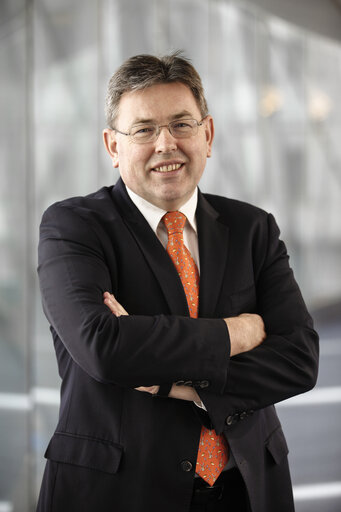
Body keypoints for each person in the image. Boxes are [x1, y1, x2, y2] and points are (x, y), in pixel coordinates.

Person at [36, 52, 319, 512]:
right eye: (144, 129)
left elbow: (300, 359)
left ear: (207, 135)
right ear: (112, 146)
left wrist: (174, 385)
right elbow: (104, 347)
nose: (165, 144)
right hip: (117, 493)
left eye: (181, 124)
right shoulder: (73, 227)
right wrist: (237, 332)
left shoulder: (252, 228)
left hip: (248, 490)